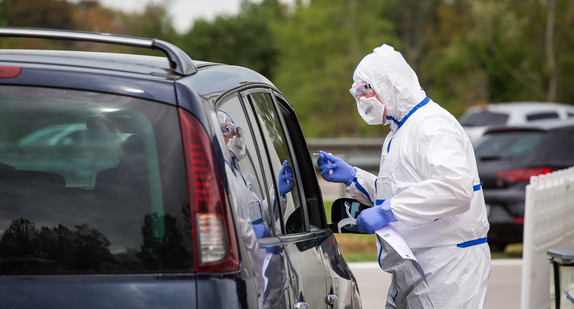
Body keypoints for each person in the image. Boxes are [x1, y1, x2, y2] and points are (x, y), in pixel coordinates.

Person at [317, 44, 491, 308]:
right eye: (357, 92)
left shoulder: (433, 125)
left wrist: (388, 211)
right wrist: (355, 178)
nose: (361, 99)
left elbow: (455, 190)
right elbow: (403, 193)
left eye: (366, 89)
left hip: (448, 268)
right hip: (415, 265)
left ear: (391, 84)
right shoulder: (399, 131)